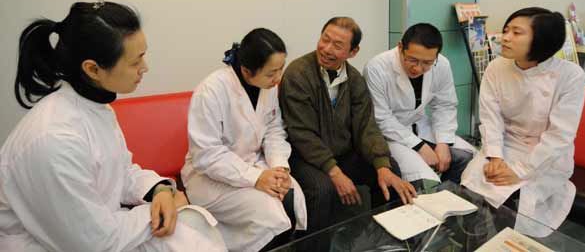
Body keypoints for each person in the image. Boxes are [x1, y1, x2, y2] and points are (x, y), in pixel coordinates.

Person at [0, 1, 226, 252]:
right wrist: (156, 211)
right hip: (61, 245)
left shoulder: (94, 106)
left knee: (196, 229)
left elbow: (121, 170)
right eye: (135, 61)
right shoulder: (53, 141)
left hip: (107, 229)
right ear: (93, 69)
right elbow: (93, 242)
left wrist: (159, 191)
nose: (145, 68)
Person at [279, 17, 416, 242]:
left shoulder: (354, 79)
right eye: (325, 40)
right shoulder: (298, 74)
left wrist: (381, 164)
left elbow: (366, 127)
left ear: (353, 51)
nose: (326, 49)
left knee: (390, 173)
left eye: (337, 45)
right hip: (304, 157)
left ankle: (385, 241)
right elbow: (302, 133)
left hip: (341, 153)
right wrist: (335, 172)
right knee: (322, 190)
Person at [461, 7, 585, 234]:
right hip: (504, 146)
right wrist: (495, 156)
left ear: (542, 41)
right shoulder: (496, 67)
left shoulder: (571, 76)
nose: (505, 37)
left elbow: (560, 135)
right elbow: (491, 117)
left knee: (510, 196)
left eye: (517, 33)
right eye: (506, 30)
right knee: (471, 182)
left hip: (545, 156)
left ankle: (506, 243)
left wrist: (520, 170)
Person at [182, 28, 307, 252]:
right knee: (270, 215)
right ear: (247, 71)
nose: (278, 79)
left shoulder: (267, 87)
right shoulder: (211, 91)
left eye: (281, 70)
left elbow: (274, 130)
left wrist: (279, 167)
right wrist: (256, 177)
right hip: (212, 178)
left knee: (292, 197)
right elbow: (207, 155)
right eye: (271, 73)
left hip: (255, 165)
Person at [363, 23, 474, 184]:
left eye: (427, 63)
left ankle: (452, 203)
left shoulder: (441, 64)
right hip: (389, 136)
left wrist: (443, 142)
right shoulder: (376, 68)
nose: (418, 68)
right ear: (400, 47)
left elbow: (444, 105)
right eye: (412, 60)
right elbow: (382, 118)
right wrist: (419, 147)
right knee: (425, 180)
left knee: (466, 158)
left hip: (420, 126)